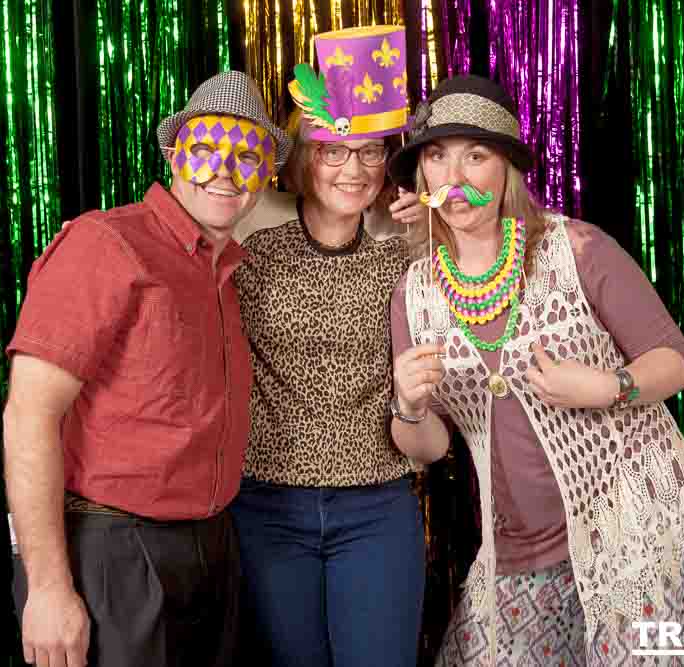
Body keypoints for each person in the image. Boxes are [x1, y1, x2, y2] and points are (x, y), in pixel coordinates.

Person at [387, 75, 684, 666]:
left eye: (477, 155)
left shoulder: (576, 249)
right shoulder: (414, 294)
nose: (455, 176)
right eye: (437, 157)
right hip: (517, 548)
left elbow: (676, 360)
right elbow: (428, 446)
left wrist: (609, 386)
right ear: (422, 177)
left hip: (632, 522)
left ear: (507, 171)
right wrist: (409, 406)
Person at [3, 71, 289, 667]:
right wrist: (49, 589)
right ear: (174, 154)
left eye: (247, 157)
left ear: (265, 175)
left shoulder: (228, 268)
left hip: (213, 544)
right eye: (206, 149)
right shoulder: (105, 243)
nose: (224, 170)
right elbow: (30, 414)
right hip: (115, 551)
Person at [227, 25, 427, 667]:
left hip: (377, 502)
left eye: (370, 152)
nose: (354, 168)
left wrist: (435, 233)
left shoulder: (405, 236)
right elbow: (170, 228)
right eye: (334, 150)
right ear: (302, 155)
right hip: (266, 502)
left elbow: (487, 271)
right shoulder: (251, 222)